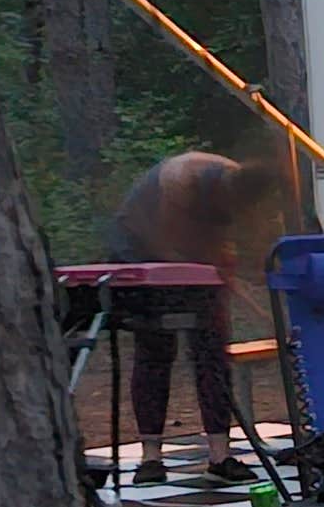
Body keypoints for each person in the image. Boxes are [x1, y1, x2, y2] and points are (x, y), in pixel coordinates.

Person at [102, 148, 284, 481]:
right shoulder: (180, 179)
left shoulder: (237, 185)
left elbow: (221, 241)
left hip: (191, 258)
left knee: (212, 350)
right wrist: (211, 267)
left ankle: (220, 456)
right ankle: (151, 458)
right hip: (142, 251)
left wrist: (224, 266)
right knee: (155, 350)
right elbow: (170, 244)